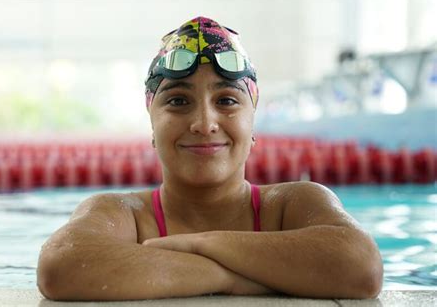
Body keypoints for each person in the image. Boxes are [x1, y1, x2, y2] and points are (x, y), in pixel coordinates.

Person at [37, 16, 383, 301]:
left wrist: (204, 242)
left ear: (252, 121)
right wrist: (232, 277)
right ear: (152, 122)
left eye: (228, 101)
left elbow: (361, 266)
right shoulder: (122, 212)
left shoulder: (294, 203)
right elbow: (61, 265)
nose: (204, 124)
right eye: (177, 101)